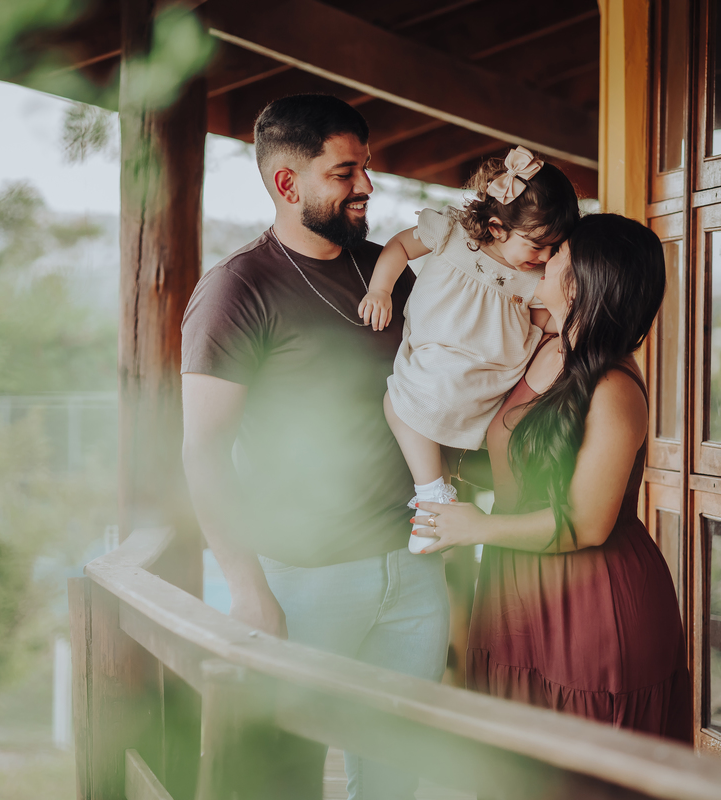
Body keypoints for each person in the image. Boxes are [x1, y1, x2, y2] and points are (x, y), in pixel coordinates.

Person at [179, 94, 450, 799]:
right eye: (344, 172)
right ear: (287, 184)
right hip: (305, 580)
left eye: (365, 168)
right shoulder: (236, 289)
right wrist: (246, 588)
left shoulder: (390, 270)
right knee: (280, 781)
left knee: (394, 780)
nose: (366, 187)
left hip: (411, 571)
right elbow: (202, 452)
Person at [413, 214, 693, 740]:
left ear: (583, 277)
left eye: (559, 249)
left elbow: (585, 524)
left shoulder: (614, 389)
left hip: (591, 601)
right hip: (511, 590)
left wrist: (474, 528)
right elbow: (513, 462)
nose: (545, 255)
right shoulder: (542, 348)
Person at [357, 146, 580, 552]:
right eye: (536, 245)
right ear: (496, 228)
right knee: (406, 403)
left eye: (553, 248)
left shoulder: (532, 275)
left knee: (398, 403)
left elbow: (544, 319)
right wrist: (380, 289)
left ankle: (432, 499)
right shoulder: (453, 234)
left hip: (482, 375)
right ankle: (438, 501)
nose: (545, 257)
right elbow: (399, 247)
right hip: (445, 360)